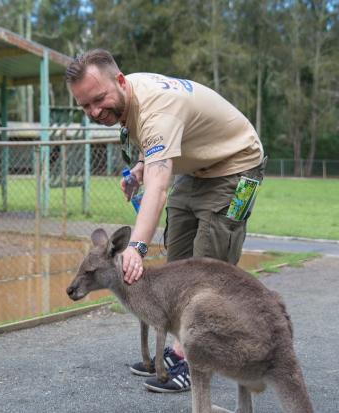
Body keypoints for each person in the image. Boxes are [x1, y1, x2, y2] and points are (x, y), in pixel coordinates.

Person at [65, 49, 266, 393]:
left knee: (206, 270)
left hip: (236, 165)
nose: (95, 111)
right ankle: (179, 346)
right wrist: (140, 167)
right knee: (178, 264)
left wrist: (137, 248)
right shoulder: (130, 100)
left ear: (120, 82)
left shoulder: (156, 105)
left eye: (98, 99)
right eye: (85, 106)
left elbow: (158, 187)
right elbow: (156, 147)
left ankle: (194, 358)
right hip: (195, 169)